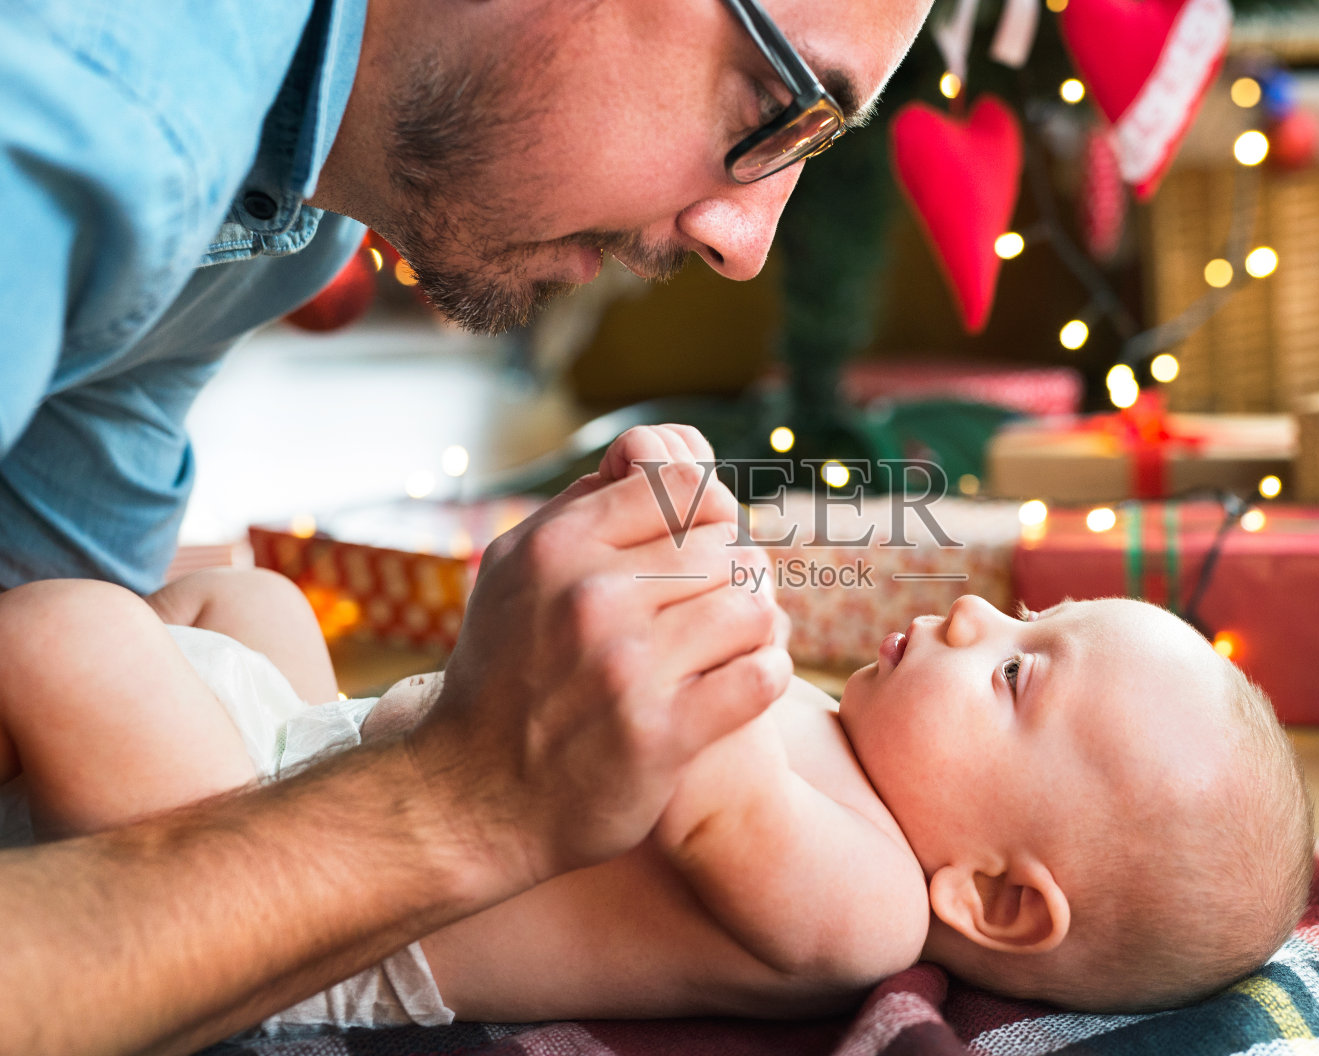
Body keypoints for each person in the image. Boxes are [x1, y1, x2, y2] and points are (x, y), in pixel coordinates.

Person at [2, 0, 930, 1049]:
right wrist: (465, 798)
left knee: (120, 625)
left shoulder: (297, 218)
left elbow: (57, 559)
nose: (746, 244)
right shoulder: (94, 107)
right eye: (775, 102)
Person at [0, 429, 1316, 1032]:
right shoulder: (842, 742)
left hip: (307, 925)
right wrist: (645, 526)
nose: (976, 616)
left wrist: (700, 555)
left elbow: (703, 789)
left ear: (993, 899)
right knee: (255, 600)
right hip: (327, 758)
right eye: (1025, 613)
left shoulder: (865, 909)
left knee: (67, 638)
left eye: (1017, 675)